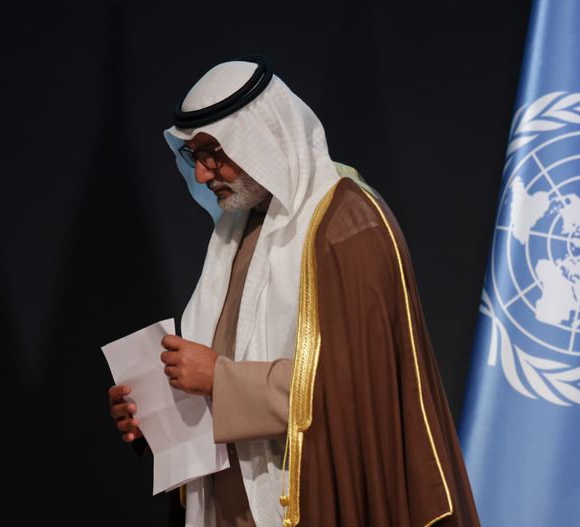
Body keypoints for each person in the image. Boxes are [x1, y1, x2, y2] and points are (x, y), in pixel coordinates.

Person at [108, 55, 479, 527]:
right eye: (193, 155)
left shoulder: (347, 226)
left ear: (263, 135)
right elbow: (224, 360)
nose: (202, 173)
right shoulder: (237, 230)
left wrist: (219, 380)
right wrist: (157, 411)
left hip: (317, 501)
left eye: (213, 151)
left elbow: (358, 389)